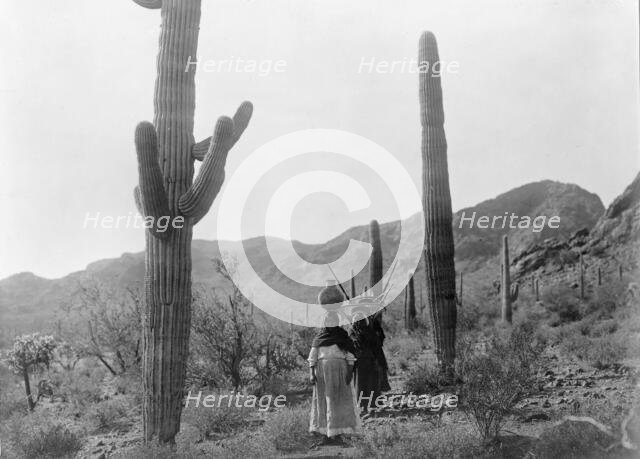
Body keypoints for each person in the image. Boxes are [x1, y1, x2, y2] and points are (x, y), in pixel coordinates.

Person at [308, 288, 361, 444]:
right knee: (324, 401)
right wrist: (312, 374)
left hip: (340, 373)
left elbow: (350, 356)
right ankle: (325, 434)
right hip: (322, 374)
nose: (331, 324)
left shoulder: (343, 337)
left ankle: (337, 434)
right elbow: (313, 357)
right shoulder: (319, 338)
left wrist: (350, 372)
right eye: (328, 321)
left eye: (334, 321)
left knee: (338, 401)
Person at [348, 311, 381, 410]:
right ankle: (371, 405)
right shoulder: (370, 332)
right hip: (369, 360)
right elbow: (377, 346)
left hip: (358, 362)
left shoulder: (352, 333)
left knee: (360, 383)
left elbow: (350, 348)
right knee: (370, 383)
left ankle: (362, 405)